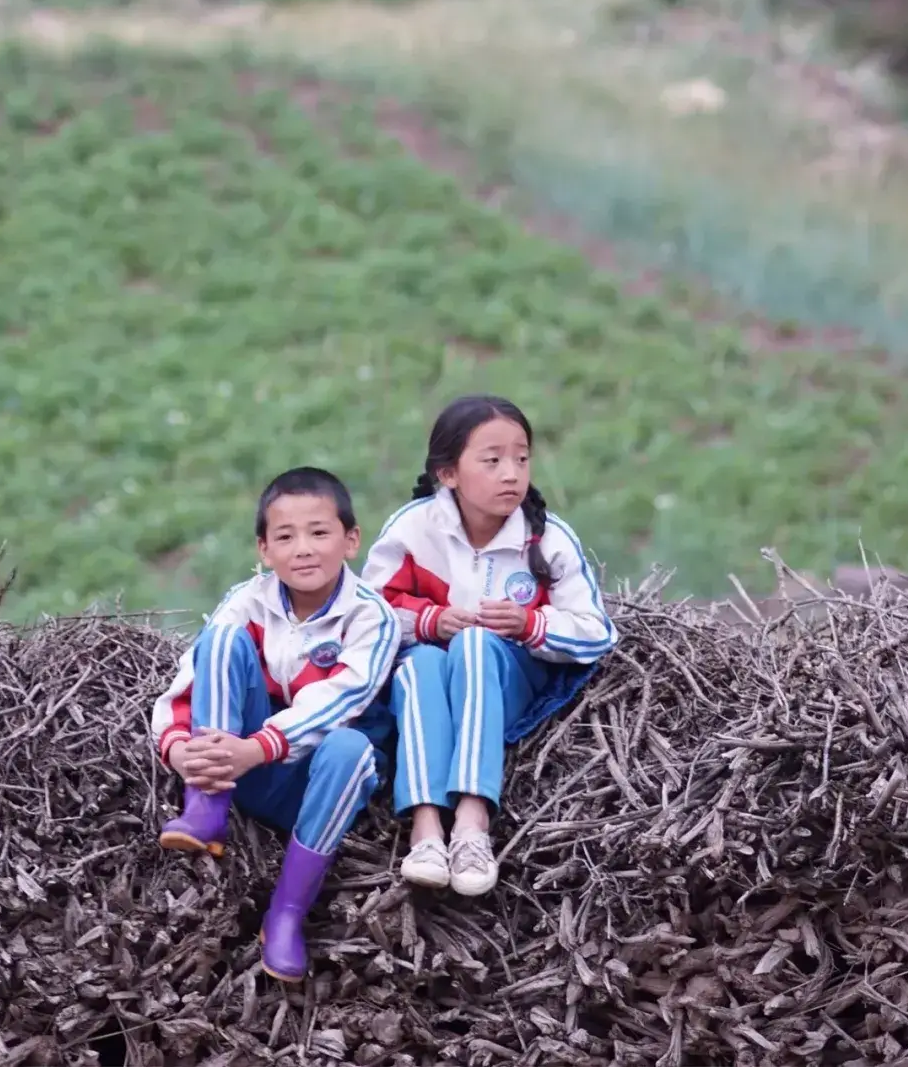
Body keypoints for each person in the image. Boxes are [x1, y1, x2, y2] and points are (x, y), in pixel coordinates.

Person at [362, 395, 617, 897]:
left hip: (513, 680)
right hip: (429, 675)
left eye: (522, 458)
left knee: (477, 644)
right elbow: (365, 618)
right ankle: (426, 829)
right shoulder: (412, 531)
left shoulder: (547, 538)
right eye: (492, 459)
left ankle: (473, 825)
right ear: (448, 474)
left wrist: (530, 624)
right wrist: (430, 621)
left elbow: (596, 630)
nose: (511, 473)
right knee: (418, 668)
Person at [152, 467, 400, 983]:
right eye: (285, 537)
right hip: (234, 768)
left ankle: (286, 914)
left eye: (319, 532)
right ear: (264, 550)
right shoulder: (247, 601)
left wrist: (257, 748)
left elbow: (340, 701)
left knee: (351, 746)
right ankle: (205, 809)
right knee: (219, 642)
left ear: (351, 540)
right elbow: (192, 679)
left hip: (313, 787)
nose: (303, 549)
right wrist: (178, 750)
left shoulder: (372, 618)